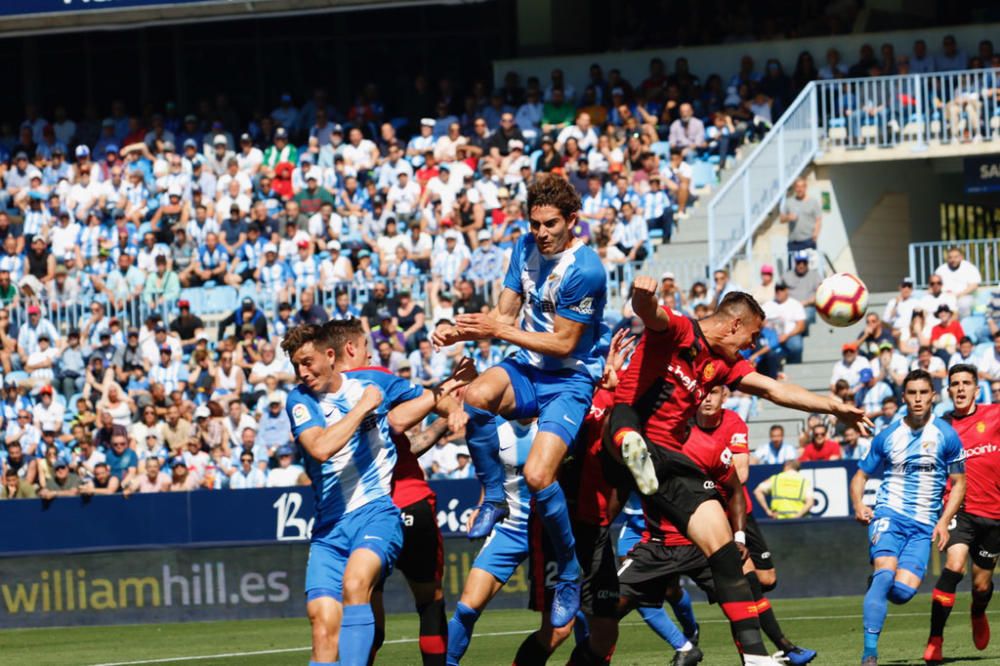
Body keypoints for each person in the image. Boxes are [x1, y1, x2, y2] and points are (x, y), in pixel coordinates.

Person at [608, 277, 868, 665]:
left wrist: (834, 407)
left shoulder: (723, 363)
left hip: (669, 462)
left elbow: (774, 390)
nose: (752, 344)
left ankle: (756, 657)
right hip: (632, 434)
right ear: (733, 325)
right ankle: (630, 445)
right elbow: (650, 313)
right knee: (625, 434)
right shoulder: (681, 330)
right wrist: (643, 295)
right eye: (752, 335)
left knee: (725, 552)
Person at [431, 174, 608, 627]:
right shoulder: (522, 248)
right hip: (527, 368)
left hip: (568, 380)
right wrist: (459, 330)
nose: (542, 232)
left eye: (551, 224)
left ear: (573, 220)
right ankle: (492, 495)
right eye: (535, 224)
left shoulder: (585, 269)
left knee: (537, 474)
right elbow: (503, 315)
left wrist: (498, 331)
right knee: (476, 395)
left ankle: (568, 571)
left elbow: (566, 344)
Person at [282, 322, 470, 666]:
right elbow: (321, 447)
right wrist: (365, 408)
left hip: (377, 514)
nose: (302, 372)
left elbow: (425, 401)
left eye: (307, 362)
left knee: (357, 585)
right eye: (296, 366)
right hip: (328, 530)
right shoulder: (299, 400)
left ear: (330, 355)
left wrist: (453, 406)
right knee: (322, 623)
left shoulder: (374, 381)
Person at [850, 369, 966, 666]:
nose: (917, 399)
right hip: (889, 514)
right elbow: (860, 476)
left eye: (923, 393)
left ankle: (877, 583)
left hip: (924, 525)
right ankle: (869, 653)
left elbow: (959, 484)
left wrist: (943, 521)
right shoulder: (888, 435)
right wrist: (858, 505)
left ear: (933, 396)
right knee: (886, 573)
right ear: (904, 397)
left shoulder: (946, 435)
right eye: (912, 393)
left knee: (901, 593)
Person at [923, 364, 1000, 664]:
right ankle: (935, 639)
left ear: (976, 389)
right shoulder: (941, 427)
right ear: (948, 390)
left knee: (982, 586)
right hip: (960, 509)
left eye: (966, 383)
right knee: (954, 566)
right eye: (955, 383)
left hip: (994, 513)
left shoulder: (994, 415)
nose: (960, 388)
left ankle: (978, 611)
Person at [934, 247, 981, 318]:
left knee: (964, 304)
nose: (953, 260)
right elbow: (935, 283)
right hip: (945, 297)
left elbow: (974, 285)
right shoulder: (941, 269)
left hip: (964, 296)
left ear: (961, 257)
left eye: (956, 257)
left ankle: (960, 326)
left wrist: (959, 294)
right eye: (950, 257)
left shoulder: (969, 267)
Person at [779, 178, 822, 254]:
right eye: (797, 187)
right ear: (794, 188)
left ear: (805, 188)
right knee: (793, 266)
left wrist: (815, 235)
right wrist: (788, 217)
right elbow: (781, 219)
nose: (800, 189)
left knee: (809, 266)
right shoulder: (789, 202)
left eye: (802, 186)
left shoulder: (813, 202)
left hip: (808, 241)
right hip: (793, 242)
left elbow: (818, 219)